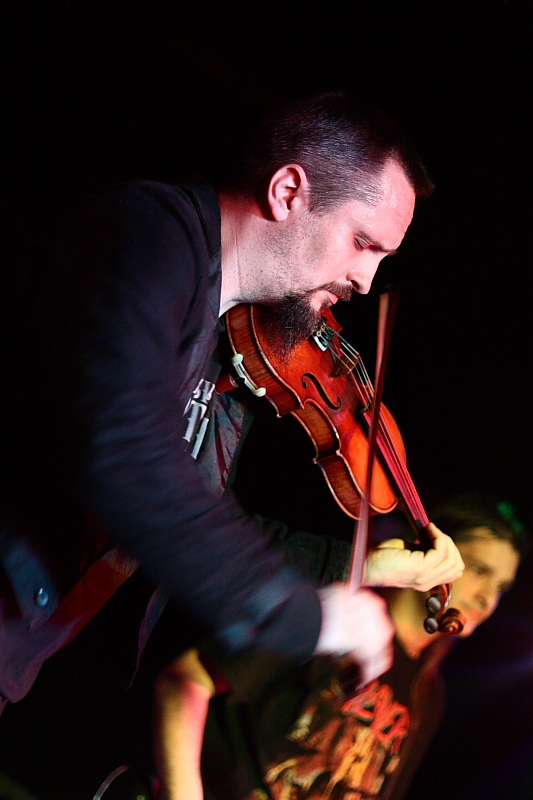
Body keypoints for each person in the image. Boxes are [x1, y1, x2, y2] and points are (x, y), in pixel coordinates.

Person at [1, 90, 464, 723]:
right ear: (288, 192)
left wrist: (351, 566)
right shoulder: (151, 232)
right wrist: (304, 617)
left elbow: (199, 508)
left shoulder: (229, 350)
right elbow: (121, 445)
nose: (366, 280)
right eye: (363, 242)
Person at [190, 492, 526, 800]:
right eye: (480, 570)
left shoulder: (429, 694)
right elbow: (186, 680)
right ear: (432, 550)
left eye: (501, 587)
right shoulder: (342, 616)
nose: (487, 598)